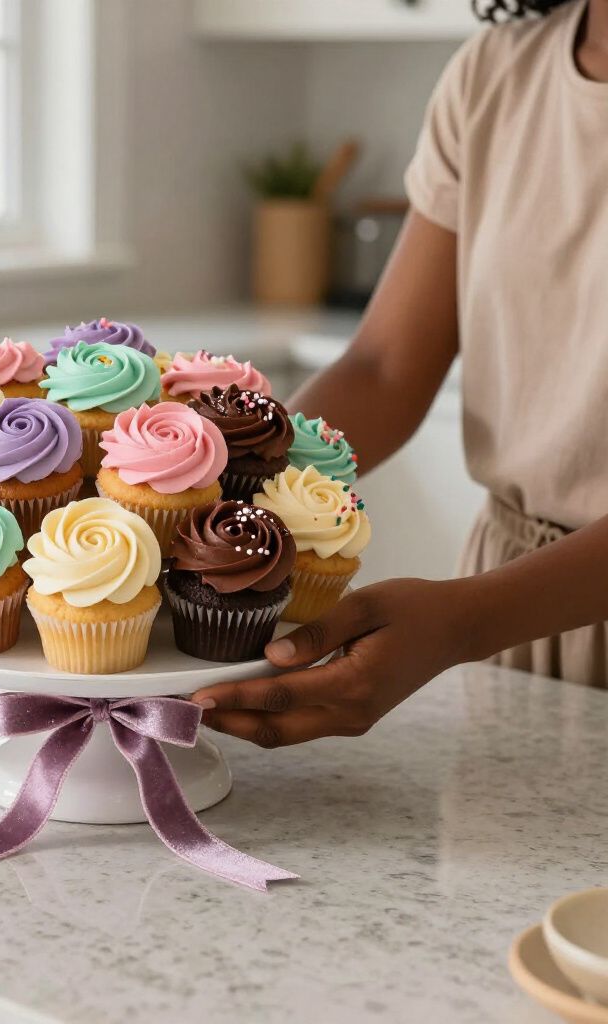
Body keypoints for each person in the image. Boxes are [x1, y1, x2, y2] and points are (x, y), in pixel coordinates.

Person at [193, 0, 608, 746]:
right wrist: (208, 514)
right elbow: (385, 366)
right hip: (512, 611)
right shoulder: (496, 72)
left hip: (509, 607)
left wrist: (469, 620)